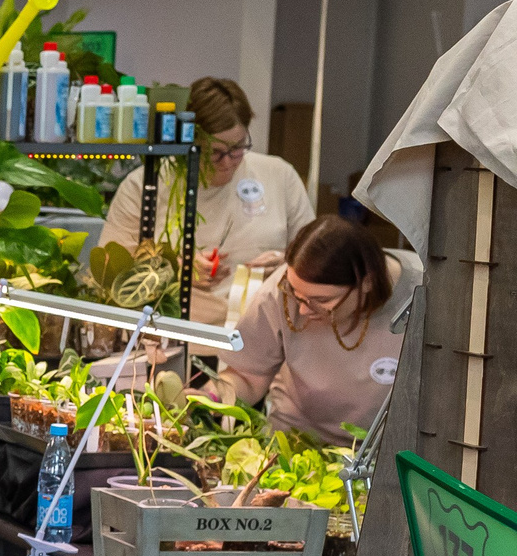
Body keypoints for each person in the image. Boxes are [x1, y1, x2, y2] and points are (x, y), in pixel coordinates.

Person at [98, 76, 311, 325]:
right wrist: (176, 270)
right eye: (215, 152)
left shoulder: (279, 175)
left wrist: (286, 264)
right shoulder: (145, 185)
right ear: (191, 140)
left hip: (262, 337)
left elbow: (318, 259)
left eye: (238, 148)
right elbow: (108, 270)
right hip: (176, 337)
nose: (228, 161)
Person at [205, 215, 420, 446]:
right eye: (296, 296)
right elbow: (248, 376)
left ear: (367, 283)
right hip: (295, 444)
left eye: (320, 300)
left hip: (381, 453)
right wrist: (211, 397)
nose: (304, 310)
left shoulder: (419, 297)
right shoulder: (281, 291)